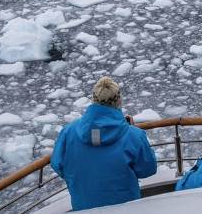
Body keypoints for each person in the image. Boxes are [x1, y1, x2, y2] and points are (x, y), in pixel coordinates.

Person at [50, 77, 158, 211]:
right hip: (126, 209)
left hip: (84, 208)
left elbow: (57, 165)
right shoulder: (133, 136)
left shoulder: (68, 132)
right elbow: (148, 169)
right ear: (119, 101)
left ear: (93, 100)